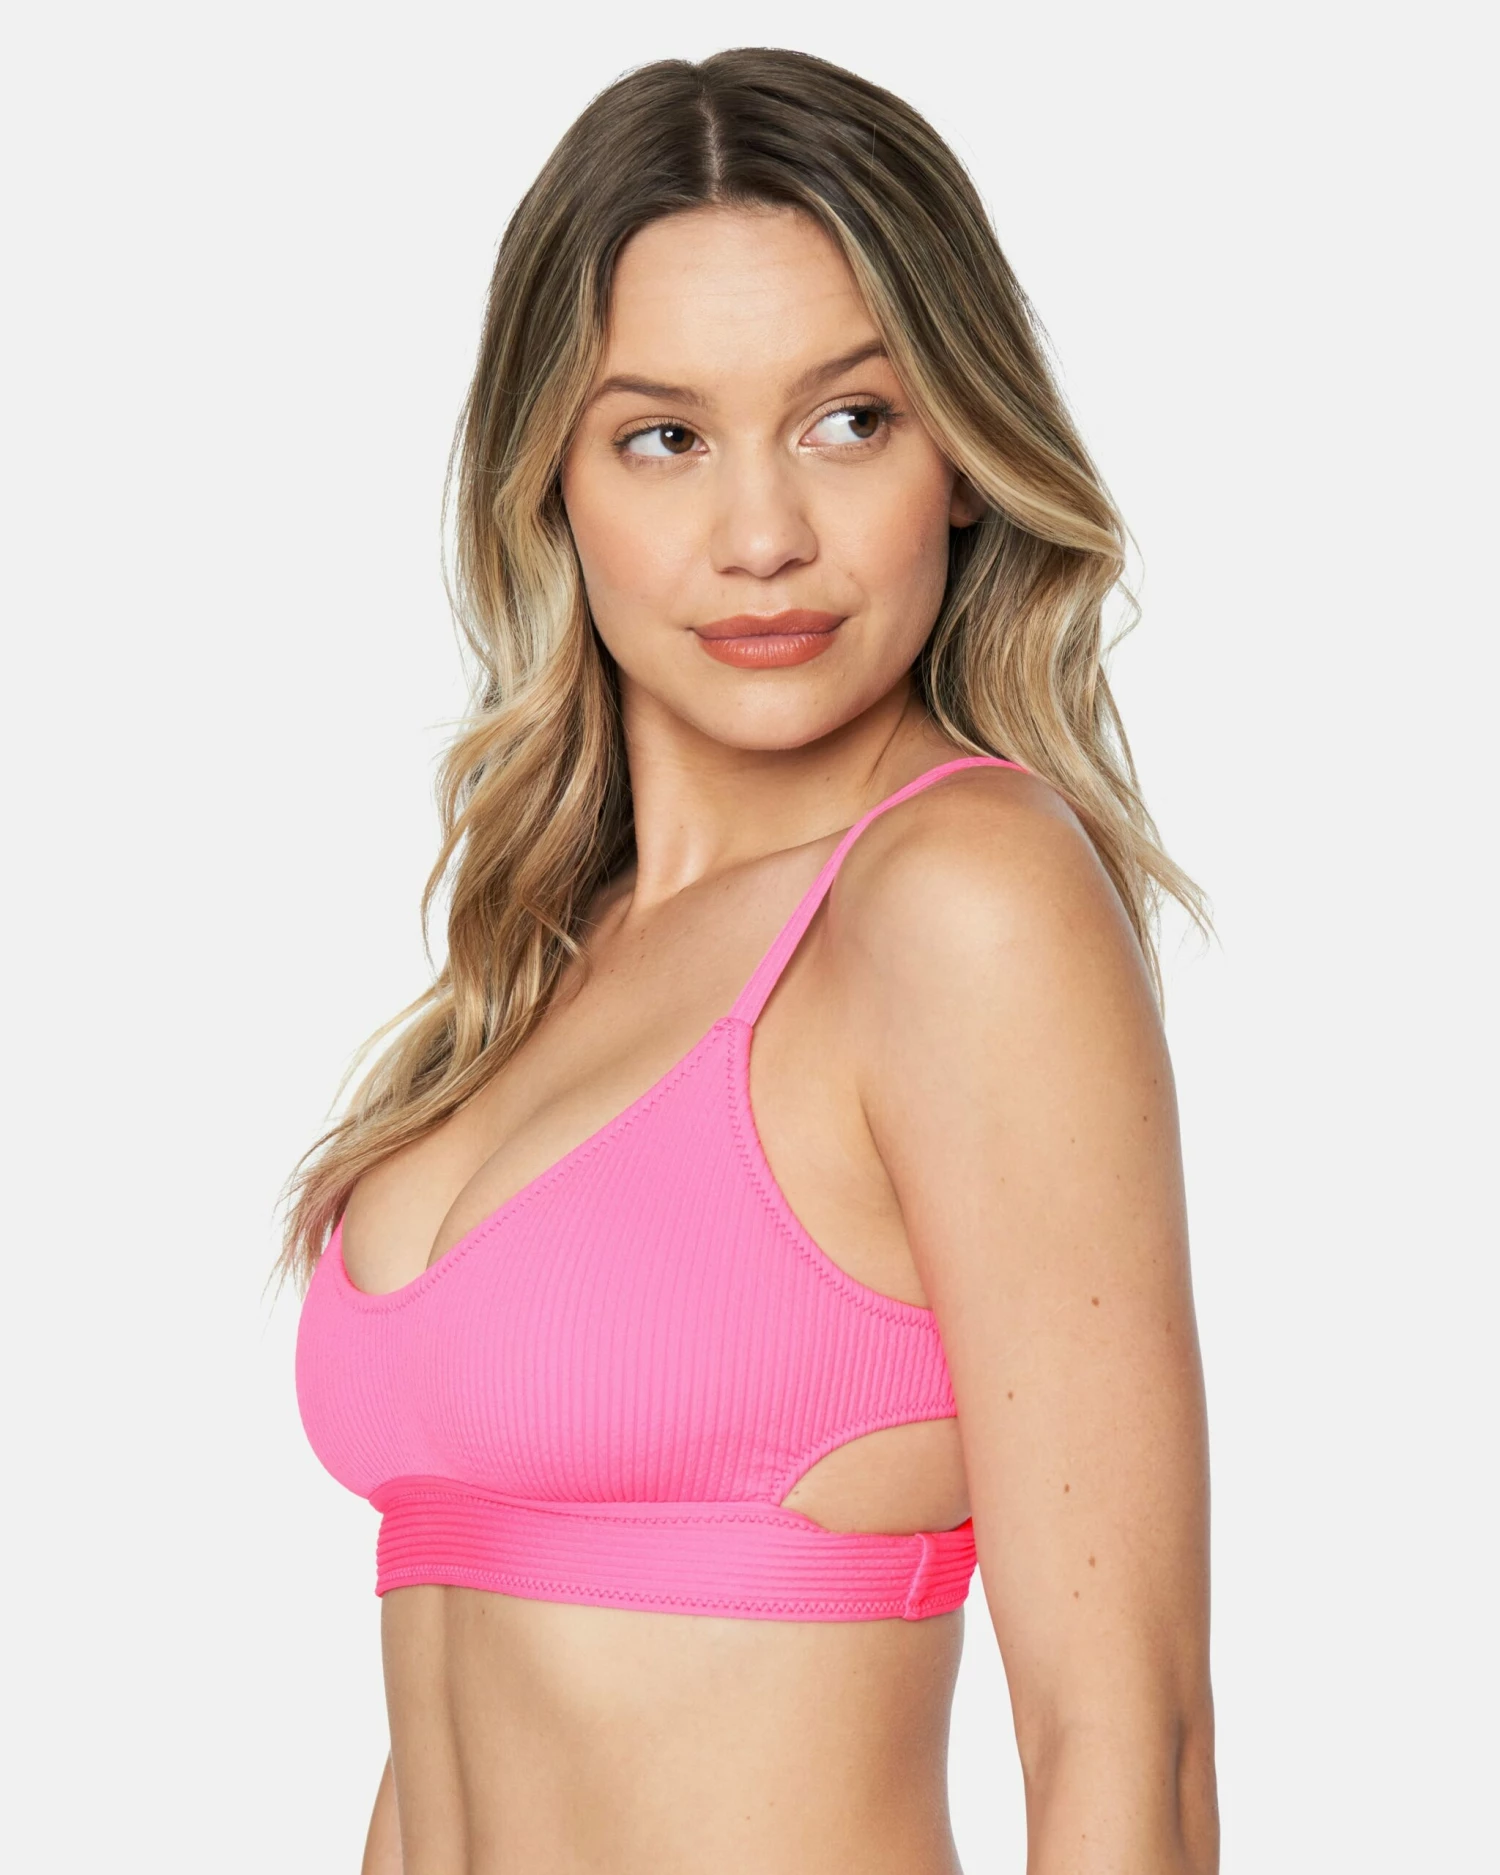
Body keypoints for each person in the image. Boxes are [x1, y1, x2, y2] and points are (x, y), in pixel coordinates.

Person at [284, 46, 1217, 1875]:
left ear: (964, 455)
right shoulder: (547, 954)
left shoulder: (961, 900)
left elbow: (1131, 1733)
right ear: (551, 481)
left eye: (850, 420)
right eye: (665, 437)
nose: (766, 536)